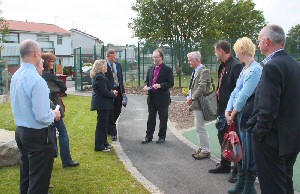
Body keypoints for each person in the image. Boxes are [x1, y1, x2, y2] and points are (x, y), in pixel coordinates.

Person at [247, 24, 300, 194]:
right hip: (291, 137)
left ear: (267, 42)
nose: (258, 43)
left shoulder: (272, 66)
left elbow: (268, 109)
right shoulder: (294, 64)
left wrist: (259, 133)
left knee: (272, 187)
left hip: (272, 140)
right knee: (285, 183)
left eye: (259, 39)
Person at [10, 39, 61, 194]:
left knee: (27, 176)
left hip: (21, 131)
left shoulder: (16, 75)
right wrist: (54, 114)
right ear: (36, 53)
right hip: (37, 135)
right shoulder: (36, 80)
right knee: (39, 181)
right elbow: (41, 115)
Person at [225, 37, 262, 194]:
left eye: (237, 51)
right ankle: (241, 185)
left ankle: (249, 187)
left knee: (248, 152)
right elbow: (235, 91)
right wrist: (228, 110)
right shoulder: (245, 68)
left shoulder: (256, 70)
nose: (236, 54)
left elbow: (245, 94)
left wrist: (233, 112)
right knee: (239, 149)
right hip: (239, 114)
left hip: (247, 115)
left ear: (243, 51)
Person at [208, 40, 243, 183]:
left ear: (221, 51)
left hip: (231, 112)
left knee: (234, 139)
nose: (215, 54)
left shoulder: (236, 66)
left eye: (216, 51)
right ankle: (225, 164)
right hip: (221, 109)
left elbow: (239, 91)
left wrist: (233, 111)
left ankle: (237, 170)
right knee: (222, 137)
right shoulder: (223, 65)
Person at [41, 52, 80, 168]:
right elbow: (63, 87)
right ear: (46, 62)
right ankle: (66, 160)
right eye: (52, 61)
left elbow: (61, 87)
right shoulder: (48, 75)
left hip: (48, 104)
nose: (53, 63)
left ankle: (54, 155)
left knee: (50, 132)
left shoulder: (42, 75)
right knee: (62, 132)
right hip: (52, 105)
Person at [142, 49, 174, 144]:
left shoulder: (167, 69)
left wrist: (160, 85)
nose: (154, 59)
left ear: (161, 57)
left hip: (162, 98)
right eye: (153, 57)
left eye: (156, 57)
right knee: (150, 119)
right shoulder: (150, 68)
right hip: (151, 98)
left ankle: (162, 137)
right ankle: (148, 137)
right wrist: (146, 86)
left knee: (163, 119)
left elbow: (171, 83)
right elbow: (147, 80)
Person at [186, 51, 212, 160]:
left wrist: (192, 98)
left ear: (197, 60)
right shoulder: (196, 71)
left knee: (200, 127)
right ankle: (203, 147)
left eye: (190, 60)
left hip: (200, 103)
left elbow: (201, 87)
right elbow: (193, 86)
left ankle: (206, 150)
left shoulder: (204, 71)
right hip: (196, 103)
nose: (189, 62)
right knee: (198, 127)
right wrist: (189, 96)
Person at [91, 60, 118, 151]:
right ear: (101, 67)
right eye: (105, 66)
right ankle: (99, 146)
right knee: (102, 125)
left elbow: (105, 90)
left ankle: (104, 142)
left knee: (104, 124)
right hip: (102, 104)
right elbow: (104, 92)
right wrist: (113, 94)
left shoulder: (101, 76)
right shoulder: (100, 77)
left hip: (104, 104)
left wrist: (111, 92)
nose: (107, 67)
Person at [104, 49, 126, 141]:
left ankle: (109, 127)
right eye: (111, 58)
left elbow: (120, 80)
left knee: (118, 110)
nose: (113, 59)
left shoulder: (118, 65)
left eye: (114, 57)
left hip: (118, 90)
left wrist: (123, 92)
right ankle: (113, 133)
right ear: (107, 57)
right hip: (110, 91)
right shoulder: (104, 66)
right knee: (111, 112)